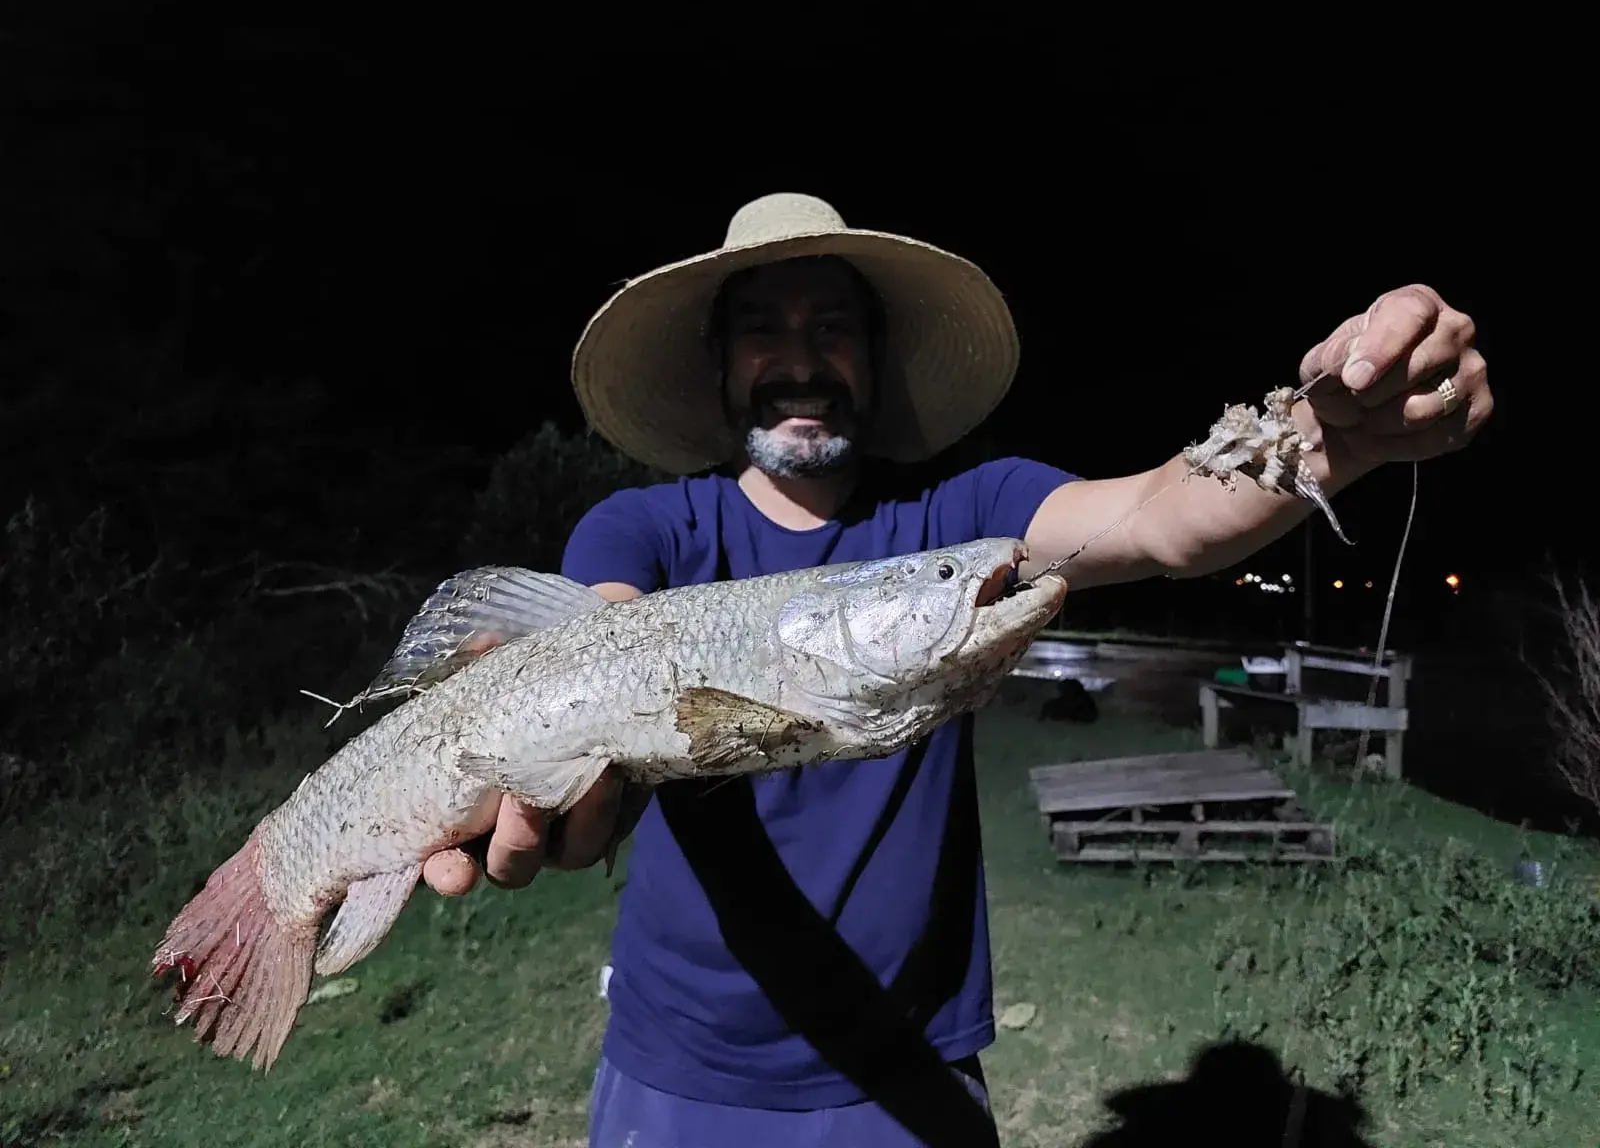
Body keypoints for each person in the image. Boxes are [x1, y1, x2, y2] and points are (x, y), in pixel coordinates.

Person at [418, 193, 1492, 1145]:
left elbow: (1162, 518)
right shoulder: (645, 528)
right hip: (682, 1076)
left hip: (913, 1071)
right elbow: (599, 638)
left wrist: (1329, 433)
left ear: (874, 359)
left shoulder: (958, 523)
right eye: (762, 329)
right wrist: (544, 768)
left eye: (832, 326)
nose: (800, 357)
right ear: (718, 366)